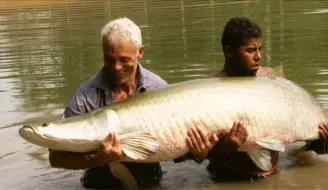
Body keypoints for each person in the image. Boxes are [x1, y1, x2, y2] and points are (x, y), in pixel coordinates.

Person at [180, 16, 328, 181]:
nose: (258, 56)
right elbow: (200, 154)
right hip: (229, 179)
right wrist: (229, 146)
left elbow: (302, 139)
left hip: (273, 175)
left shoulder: (273, 81)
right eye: (250, 50)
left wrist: (323, 141)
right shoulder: (212, 89)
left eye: (259, 49)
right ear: (229, 51)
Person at [49, 17, 168, 189]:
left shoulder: (158, 89)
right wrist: (99, 158)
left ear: (140, 52)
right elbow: (56, 158)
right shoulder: (85, 96)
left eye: (124, 59)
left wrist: (195, 153)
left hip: (149, 180)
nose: (116, 67)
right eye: (110, 59)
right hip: (98, 182)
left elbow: (174, 145)